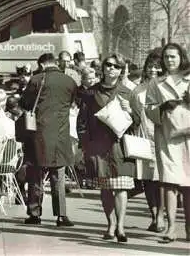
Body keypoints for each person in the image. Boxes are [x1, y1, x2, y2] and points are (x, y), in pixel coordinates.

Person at [78, 53, 135, 242]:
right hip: (99, 146)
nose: (111, 68)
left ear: (121, 71)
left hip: (120, 146)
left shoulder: (128, 92)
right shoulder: (90, 93)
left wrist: (130, 111)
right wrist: (84, 144)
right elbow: (82, 121)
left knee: (121, 187)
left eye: (116, 66)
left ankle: (121, 226)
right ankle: (110, 225)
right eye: (108, 65)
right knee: (105, 188)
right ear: (102, 68)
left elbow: (138, 122)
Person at [21, 53, 76, 227]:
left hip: (38, 133)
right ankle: (61, 215)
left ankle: (35, 213)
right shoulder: (69, 81)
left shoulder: (36, 79)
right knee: (58, 175)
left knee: (35, 175)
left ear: (42, 64)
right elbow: (73, 102)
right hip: (60, 133)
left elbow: (25, 103)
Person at [145, 43, 190, 243]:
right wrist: (162, 107)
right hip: (168, 136)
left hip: (188, 137)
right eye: (166, 58)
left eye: (173, 56)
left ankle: (189, 229)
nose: (169, 60)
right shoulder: (156, 83)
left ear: (181, 57)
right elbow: (148, 108)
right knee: (169, 183)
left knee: (188, 185)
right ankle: (171, 228)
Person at [130, 49, 165, 233]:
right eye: (150, 66)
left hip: (164, 138)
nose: (153, 70)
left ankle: (161, 215)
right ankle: (153, 215)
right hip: (143, 139)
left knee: (161, 180)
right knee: (148, 181)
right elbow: (135, 115)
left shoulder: (168, 88)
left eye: (157, 67)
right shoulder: (138, 90)